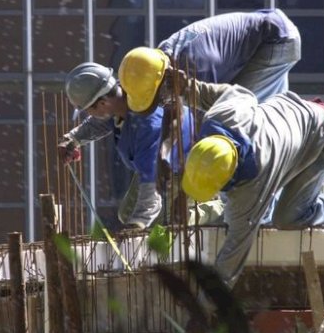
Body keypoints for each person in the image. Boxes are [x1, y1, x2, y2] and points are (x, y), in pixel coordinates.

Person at [119, 61, 324, 288]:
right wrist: (187, 87)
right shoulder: (220, 118)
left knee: (288, 218)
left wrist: (207, 305)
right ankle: (308, 192)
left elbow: (233, 255)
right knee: (259, 211)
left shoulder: (254, 186)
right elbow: (232, 92)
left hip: (321, 136)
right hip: (292, 118)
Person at [57, 62, 222, 229]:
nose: (88, 114)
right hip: (156, 162)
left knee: (165, 220)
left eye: (87, 109)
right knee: (127, 213)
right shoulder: (124, 96)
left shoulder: (148, 126)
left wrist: (137, 224)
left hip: (186, 163)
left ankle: (216, 208)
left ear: (102, 103)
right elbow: (100, 122)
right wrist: (73, 138)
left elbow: (151, 186)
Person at [122, 8, 300, 114]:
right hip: (269, 33)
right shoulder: (162, 56)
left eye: (159, 98)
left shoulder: (194, 67)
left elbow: (217, 108)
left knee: (238, 109)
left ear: (162, 80)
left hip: (275, 39)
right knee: (270, 106)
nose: (161, 103)